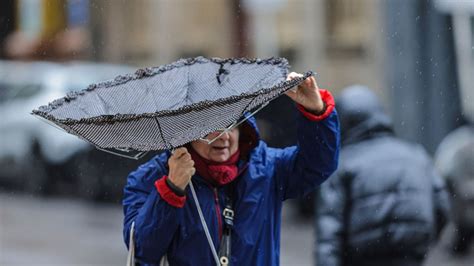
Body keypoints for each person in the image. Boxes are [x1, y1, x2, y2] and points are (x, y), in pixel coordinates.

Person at [122, 73, 340, 265]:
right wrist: (171, 190)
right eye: (211, 128)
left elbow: (318, 165)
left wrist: (316, 111)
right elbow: (143, 250)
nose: (224, 137)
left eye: (232, 124)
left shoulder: (267, 167)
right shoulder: (149, 178)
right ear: (187, 131)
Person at [315, 85, 450, 266]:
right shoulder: (416, 155)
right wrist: (422, 241)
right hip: (411, 256)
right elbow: (442, 206)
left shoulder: (342, 164)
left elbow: (329, 233)